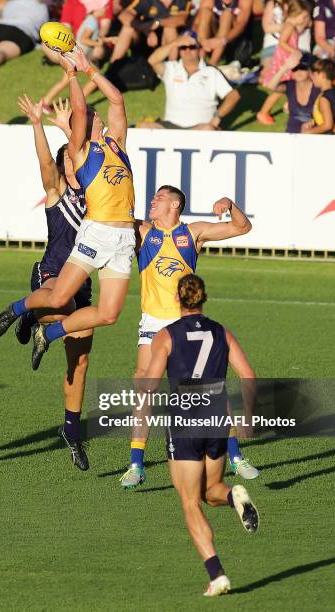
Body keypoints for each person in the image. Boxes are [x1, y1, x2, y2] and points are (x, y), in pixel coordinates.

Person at [0, 46, 136, 372]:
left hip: (123, 238)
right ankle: (17, 309)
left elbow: (117, 100)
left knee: (109, 314)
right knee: (58, 299)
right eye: (89, 116)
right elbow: (81, 110)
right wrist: (71, 76)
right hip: (97, 233)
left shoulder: (117, 145)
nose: (96, 114)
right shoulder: (81, 152)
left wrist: (89, 69)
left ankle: (49, 333)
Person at [120, 186, 258, 489]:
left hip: (185, 322)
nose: (152, 201)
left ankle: (235, 456)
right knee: (144, 384)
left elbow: (241, 227)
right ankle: (136, 464)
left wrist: (231, 204)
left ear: (174, 204)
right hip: (153, 323)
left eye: (159, 198)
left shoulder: (192, 233)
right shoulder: (142, 230)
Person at [140, 273, 259, 597]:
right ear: (204, 298)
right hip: (217, 419)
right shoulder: (221, 332)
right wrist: (248, 420)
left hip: (184, 422)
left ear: (178, 300)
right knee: (211, 491)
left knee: (191, 502)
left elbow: (149, 386)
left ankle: (216, 574)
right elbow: (248, 375)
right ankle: (233, 494)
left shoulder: (165, 336)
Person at [15, 93, 93, 469]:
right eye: (68, 158)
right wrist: (37, 123)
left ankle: (72, 431)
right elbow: (45, 161)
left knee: (79, 363)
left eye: (76, 156)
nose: (72, 162)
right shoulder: (57, 190)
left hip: (84, 284)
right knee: (62, 304)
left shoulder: (98, 198)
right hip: (52, 276)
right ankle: (31, 317)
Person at [137, 31, 240, 130]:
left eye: (192, 47)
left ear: (199, 49)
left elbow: (234, 96)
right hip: (170, 126)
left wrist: (217, 117)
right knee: (143, 127)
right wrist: (175, 43)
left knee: (208, 129)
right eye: (183, 47)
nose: (187, 50)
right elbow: (152, 61)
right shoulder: (171, 68)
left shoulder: (211, 72)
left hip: (200, 127)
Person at [259, 0, 312, 124]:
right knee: (286, 86)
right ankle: (270, 110)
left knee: (286, 87)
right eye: (303, 16)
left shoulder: (292, 26)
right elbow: (282, 42)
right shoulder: (288, 26)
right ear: (295, 14)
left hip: (289, 60)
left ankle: (283, 106)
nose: (304, 19)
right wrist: (294, 51)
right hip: (285, 61)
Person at [265, 51, 320, 133]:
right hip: (292, 133)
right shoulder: (290, 85)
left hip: (314, 133)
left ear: (310, 70)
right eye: (295, 68)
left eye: (303, 68)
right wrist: (285, 67)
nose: (298, 72)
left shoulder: (318, 88)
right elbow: (270, 86)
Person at [195, 0, 253, 66]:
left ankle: (213, 63)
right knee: (205, 13)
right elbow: (197, 23)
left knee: (227, 14)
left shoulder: (244, 1)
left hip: (233, 40)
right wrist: (203, 42)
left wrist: (223, 40)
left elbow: (241, 25)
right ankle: (199, 61)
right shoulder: (208, 1)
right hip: (210, 42)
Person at [302, 58, 335, 134]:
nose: (312, 78)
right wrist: (312, 123)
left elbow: (328, 125)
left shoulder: (324, 98)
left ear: (323, 75)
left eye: (314, 74)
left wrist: (307, 132)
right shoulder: (334, 92)